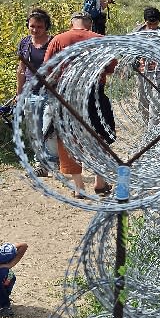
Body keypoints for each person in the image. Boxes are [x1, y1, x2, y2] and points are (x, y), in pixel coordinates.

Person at [42, 12, 114, 198]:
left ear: (71, 23)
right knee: (100, 136)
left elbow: (47, 69)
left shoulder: (58, 40)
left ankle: (79, 186)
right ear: (89, 24)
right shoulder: (100, 40)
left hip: (67, 95)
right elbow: (111, 67)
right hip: (94, 94)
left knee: (69, 138)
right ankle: (100, 181)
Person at [16, 9, 55, 175]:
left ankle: (53, 162)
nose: (35, 29)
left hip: (51, 92)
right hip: (31, 93)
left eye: (39, 26)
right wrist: (19, 94)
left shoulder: (53, 43)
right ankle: (41, 164)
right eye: (32, 26)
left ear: (46, 26)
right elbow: (21, 70)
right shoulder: (25, 43)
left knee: (50, 129)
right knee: (35, 130)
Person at [132, 8, 160, 127]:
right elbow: (129, 51)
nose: (152, 27)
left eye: (155, 24)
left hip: (159, 72)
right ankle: (145, 126)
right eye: (149, 24)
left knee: (157, 102)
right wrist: (135, 59)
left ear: (159, 21)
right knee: (143, 100)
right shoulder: (137, 34)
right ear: (145, 21)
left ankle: (153, 131)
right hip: (142, 72)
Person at [0, 242, 27, 318]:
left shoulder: (3, 254)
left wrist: (10, 264)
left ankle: (4, 306)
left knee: (3, 272)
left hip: (5, 279)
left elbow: (23, 245)